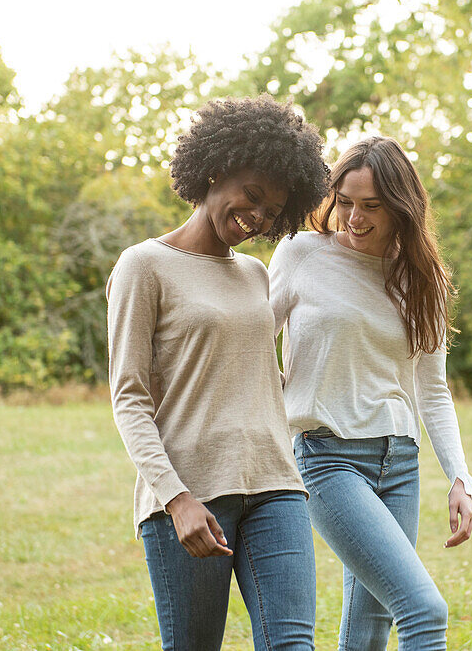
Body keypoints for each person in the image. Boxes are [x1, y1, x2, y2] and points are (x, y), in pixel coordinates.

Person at [106, 95, 330, 651]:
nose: (258, 217)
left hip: (276, 486)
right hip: (190, 498)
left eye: (273, 211)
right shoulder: (144, 265)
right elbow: (129, 398)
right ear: (214, 169)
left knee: (293, 644)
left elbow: (262, 380)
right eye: (252, 196)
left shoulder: (256, 275)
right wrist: (174, 498)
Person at [269, 136, 472, 651]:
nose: (353, 218)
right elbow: (250, 341)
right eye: (344, 202)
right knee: (424, 611)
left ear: (401, 208)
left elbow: (432, 389)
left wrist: (460, 477)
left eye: (371, 207)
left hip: (400, 464)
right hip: (328, 458)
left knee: (368, 628)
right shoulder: (301, 253)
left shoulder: (421, 278)